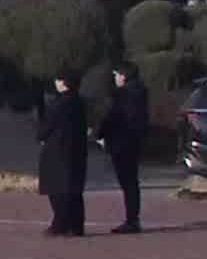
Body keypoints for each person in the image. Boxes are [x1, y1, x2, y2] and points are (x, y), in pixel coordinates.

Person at [95, 62, 149, 234]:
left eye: (117, 74)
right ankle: (133, 218)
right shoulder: (141, 93)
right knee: (132, 182)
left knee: (127, 182)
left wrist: (98, 134)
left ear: (124, 76)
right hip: (134, 142)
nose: (115, 78)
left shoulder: (121, 95)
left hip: (121, 142)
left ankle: (131, 220)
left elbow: (110, 116)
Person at [38, 72, 89, 237]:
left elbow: (48, 125)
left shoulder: (58, 103)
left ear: (64, 83)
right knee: (74, 189)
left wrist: (41, 136)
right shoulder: (79, 101)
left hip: (57, 150)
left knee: (57, 189)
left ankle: (60, 224)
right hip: (77, 149)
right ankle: (76, 225)